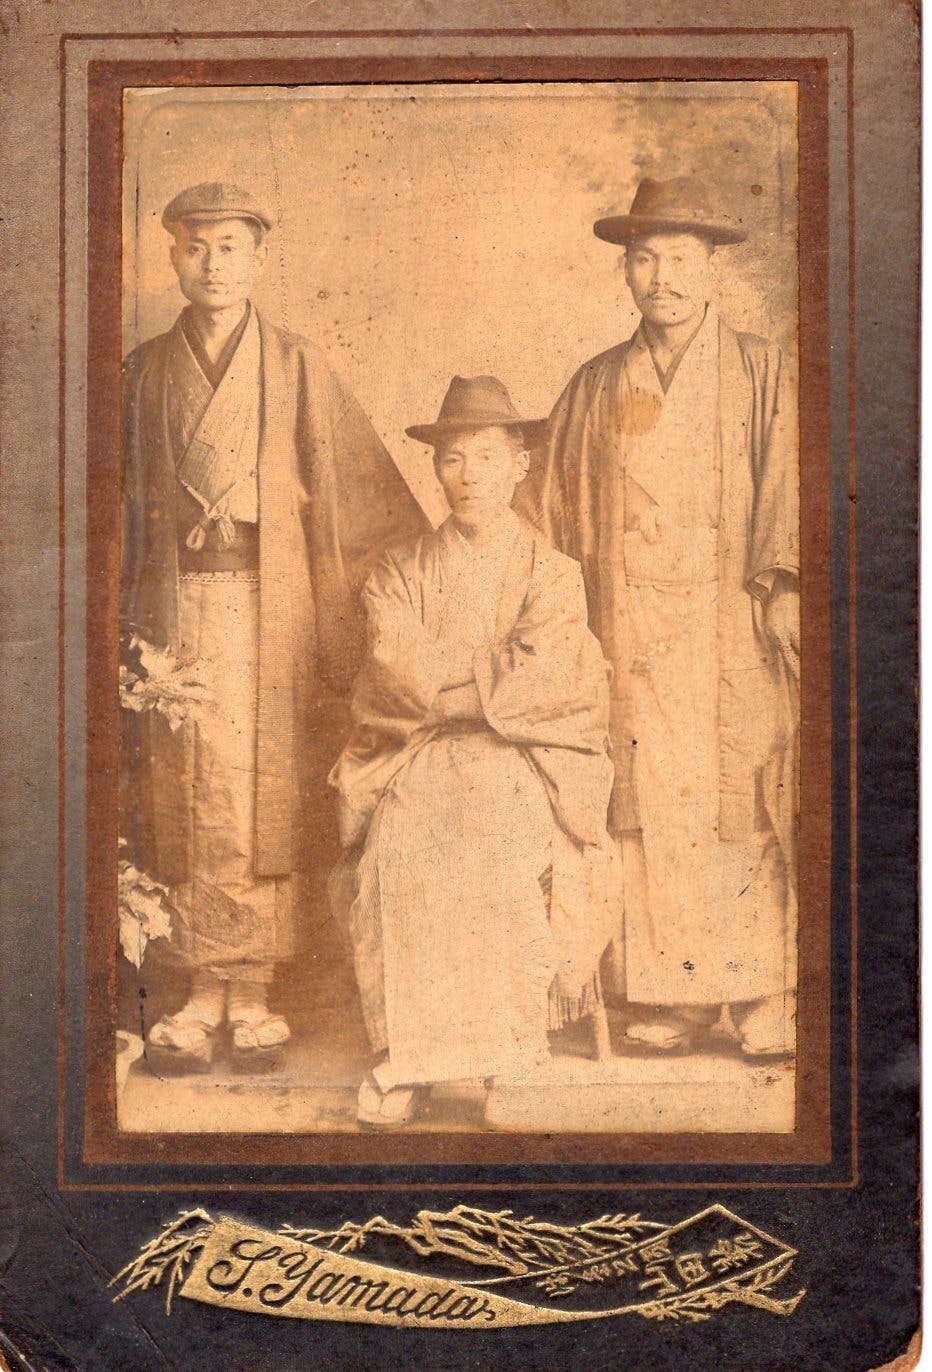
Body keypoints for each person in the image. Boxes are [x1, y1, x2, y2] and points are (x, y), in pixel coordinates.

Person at [121, 182, 425, 1073]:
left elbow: (355, 496)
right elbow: (111, 504)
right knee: (184, 789)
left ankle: (252, 988)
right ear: (172, 258)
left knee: (264, 788)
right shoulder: (144, 370)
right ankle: (195, 987)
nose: (212, 265)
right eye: (195, 247)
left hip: (272, 606)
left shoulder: (295, 363)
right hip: (172, 610)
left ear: (260, 258)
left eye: (230, 247)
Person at [519, 176, 799, 1057]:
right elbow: (543, 510)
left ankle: (760, 993)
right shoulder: (597, 382)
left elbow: (789, 486)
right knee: (642, 807)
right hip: (628, 624)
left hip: (730, 621)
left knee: (739, 802)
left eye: (680, 258)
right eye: (645, 260)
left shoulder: (759, 368)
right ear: (625, 272)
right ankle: (673, 997)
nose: (662, 278)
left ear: (713, 268)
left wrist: (785, 586)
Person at [328, 376, 616, 1126]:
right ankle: (409, 1059)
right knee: (402, 838)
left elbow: (546, 679)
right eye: (453, 459)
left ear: (520, 464)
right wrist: (490, 675)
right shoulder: (397, 569)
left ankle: (507, 1055)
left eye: (487, 457)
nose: (469, 476)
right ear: (435, 468)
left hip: (524, 756)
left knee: (495, 838)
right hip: (416, 753)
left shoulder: (552, 573)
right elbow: (393, 671)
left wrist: (453, 681)